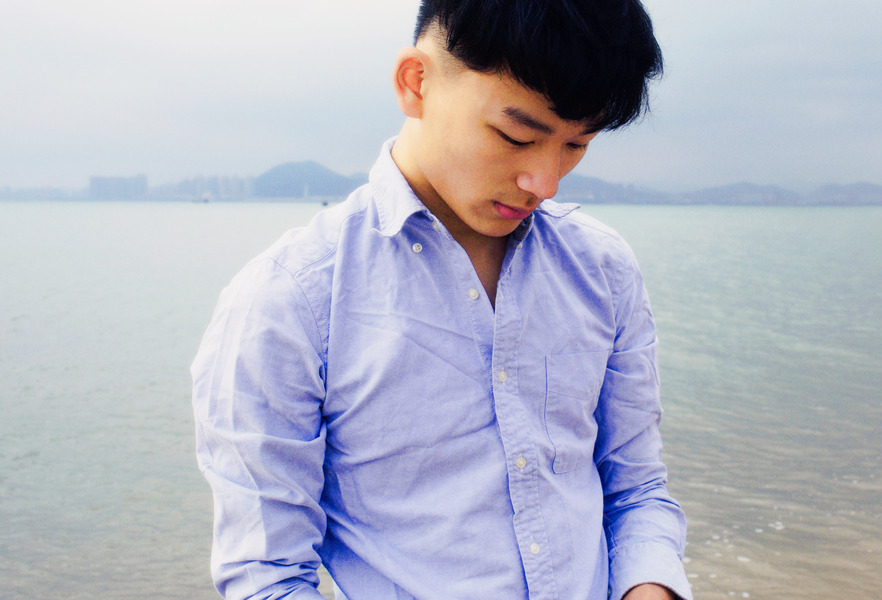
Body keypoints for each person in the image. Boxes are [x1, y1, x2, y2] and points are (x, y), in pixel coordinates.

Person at [191, 1, 691, 599]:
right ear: (415, 82)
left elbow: (635, 490)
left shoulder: (603, 269)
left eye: (576, 145)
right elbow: (267, 573)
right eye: (517, 136)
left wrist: (650, 588)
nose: (545, 181)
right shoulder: (290, 299)